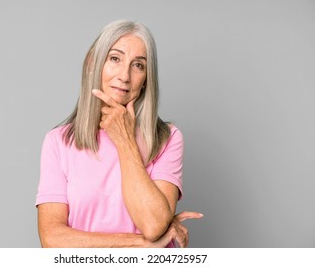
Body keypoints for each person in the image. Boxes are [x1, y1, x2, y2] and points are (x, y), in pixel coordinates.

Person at [35, 20, 203, 248]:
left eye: (138, 65)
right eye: (115, 59)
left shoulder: (167, 138)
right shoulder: (59, 142)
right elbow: (52, 239)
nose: (125, 75)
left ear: (146, 80)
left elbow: (153, 225)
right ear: (93, 64)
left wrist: (124, 140)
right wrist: (139, 244)